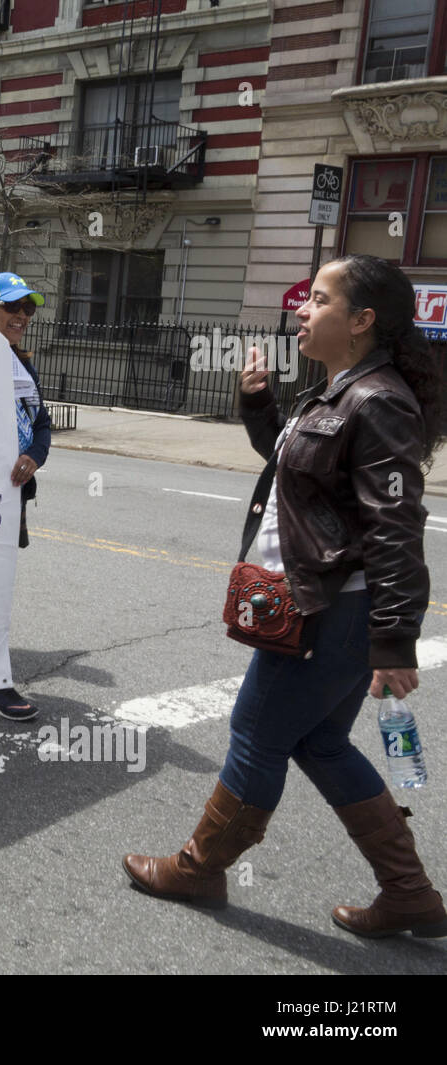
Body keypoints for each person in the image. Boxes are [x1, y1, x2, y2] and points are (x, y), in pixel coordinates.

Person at [124, 255, 447, 939]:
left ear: (361, 320)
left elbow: (394, 529)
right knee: (321, 742)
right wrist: (259, 404)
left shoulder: (378, 400)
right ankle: (410, 893)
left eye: (319, 300)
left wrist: (393, 641)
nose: (302, 309)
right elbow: (296, 468)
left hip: (333, 609)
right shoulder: (339, 391)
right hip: (325, 600)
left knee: (255, 731)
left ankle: (200, 865)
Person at [0, 272, 49, 721]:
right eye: (12, 307)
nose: (21, 316)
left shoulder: (21, 362)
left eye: (28, 309)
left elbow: (41, 423)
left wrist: (34, 456)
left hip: (6, 500)